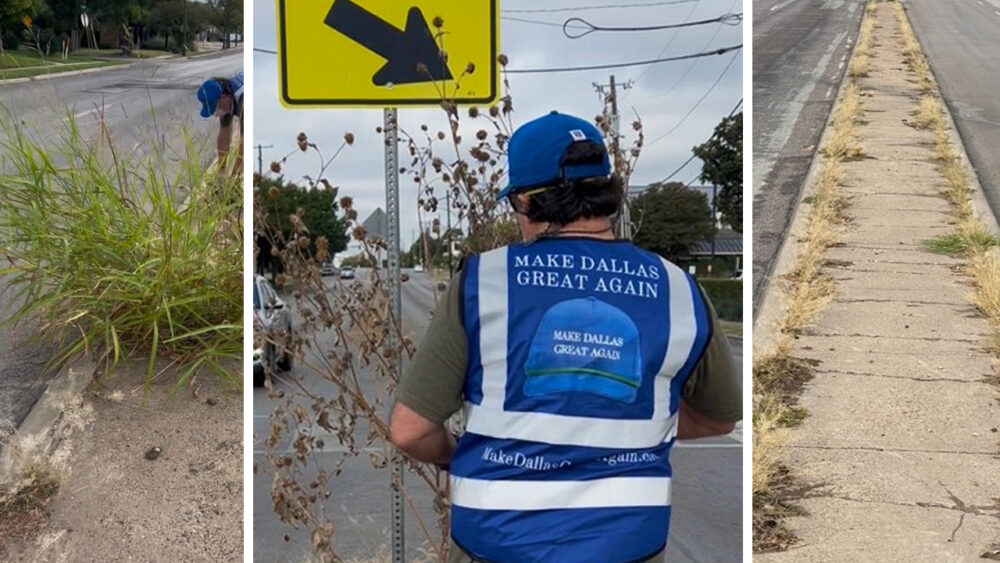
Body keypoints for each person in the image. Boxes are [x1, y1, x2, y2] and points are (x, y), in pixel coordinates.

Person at [389, 111, 742, 563]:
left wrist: (452, 454)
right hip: (627, 546)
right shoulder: (678, 289)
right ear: (607, 192)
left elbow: (410, 431)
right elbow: (717, 419)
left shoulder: (484, 282)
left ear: (525, 202)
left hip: (498, 544)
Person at [197, 72, 244, 163]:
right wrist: (222, 165)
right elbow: (224, 130)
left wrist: (235, 172)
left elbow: (244, 146)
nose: (217, 114)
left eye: (217, 108)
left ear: (224, 97)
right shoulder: (226, 91)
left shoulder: (243, 102)